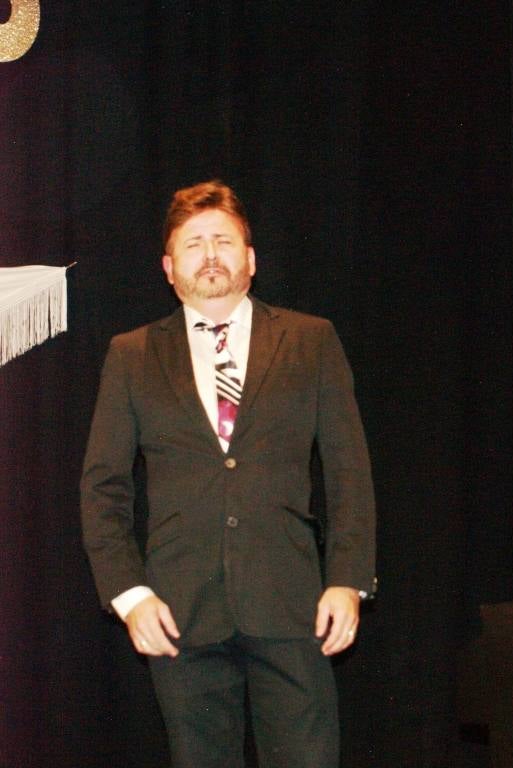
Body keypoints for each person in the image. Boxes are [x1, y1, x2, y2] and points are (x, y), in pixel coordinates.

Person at [80, 180, 376, 768]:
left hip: (293, 605)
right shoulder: (132, 355)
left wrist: (348, 578)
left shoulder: (310, 340)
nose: (210, 254)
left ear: (251, 258)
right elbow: (103, 487)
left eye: (224, 240)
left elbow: (349, 471)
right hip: (178, 613)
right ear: (169, 267)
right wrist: (130, 596)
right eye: (193, 244)